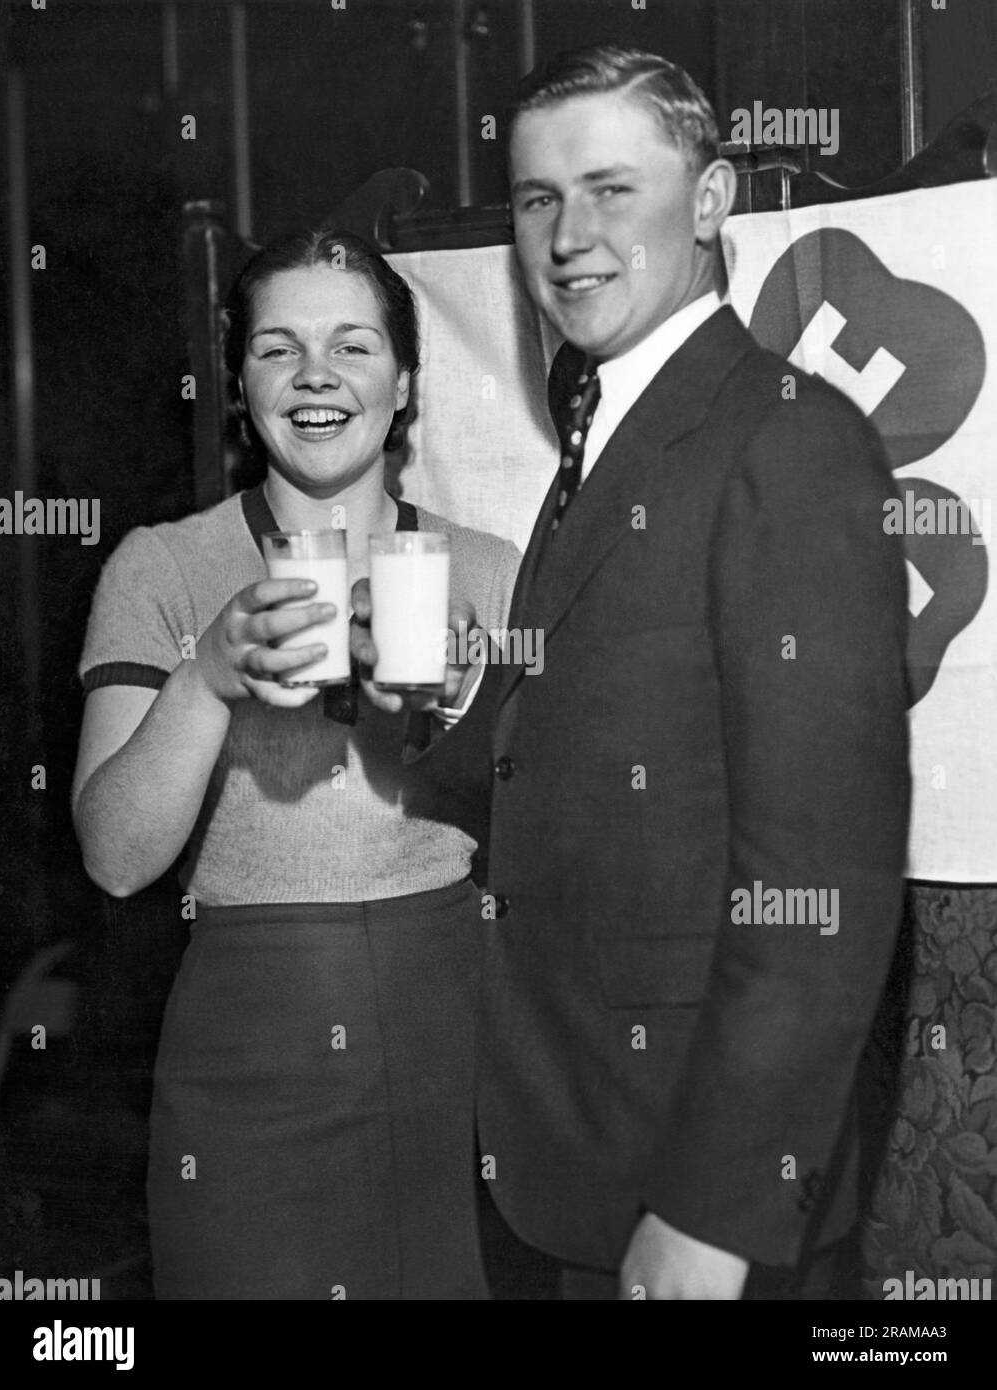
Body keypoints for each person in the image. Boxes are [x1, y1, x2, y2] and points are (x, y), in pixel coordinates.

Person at [353, 46, 911, 1299]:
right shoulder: (606, 432)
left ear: (709, 202)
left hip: (695, 1201)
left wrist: (715, 1212)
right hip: (568, 1157)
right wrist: (439, 699)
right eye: (540, 199)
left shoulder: (790, 439)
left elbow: (821, 891)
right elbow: (572, 774)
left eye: (612, 188)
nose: (569, 234)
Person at [71, 228, 520, 1300]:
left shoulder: (493, 571)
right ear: (239, 384)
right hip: (246, 1050)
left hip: (456, 1039)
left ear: (404, 384)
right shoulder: (165, 565)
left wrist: (469, 695)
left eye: (353, 346)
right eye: (278, 349)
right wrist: (207, 678)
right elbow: (117, 859)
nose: (316, 376)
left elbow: (560, 844)